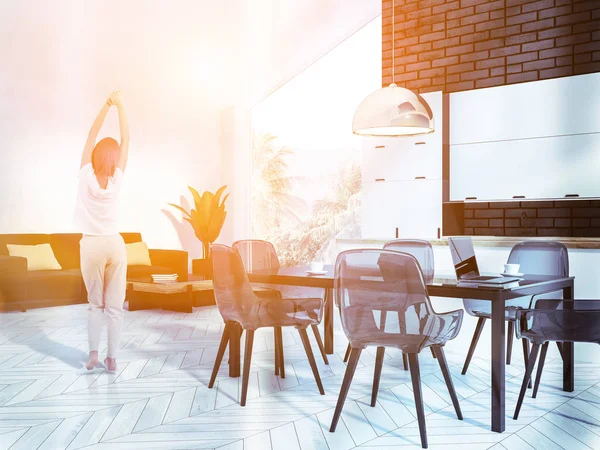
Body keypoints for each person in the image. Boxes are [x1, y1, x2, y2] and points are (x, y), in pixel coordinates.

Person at [75, 91, 129, 373]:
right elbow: (126, 140)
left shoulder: (85, 175)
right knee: (115, 307)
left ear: (95, 154)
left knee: (95, 305)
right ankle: (112, 359)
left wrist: (105, 105)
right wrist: (120, 107)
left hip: (91, 245)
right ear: (116, 158)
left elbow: (91, 134)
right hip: (115, 245)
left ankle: (93, 355)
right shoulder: (117, 179)